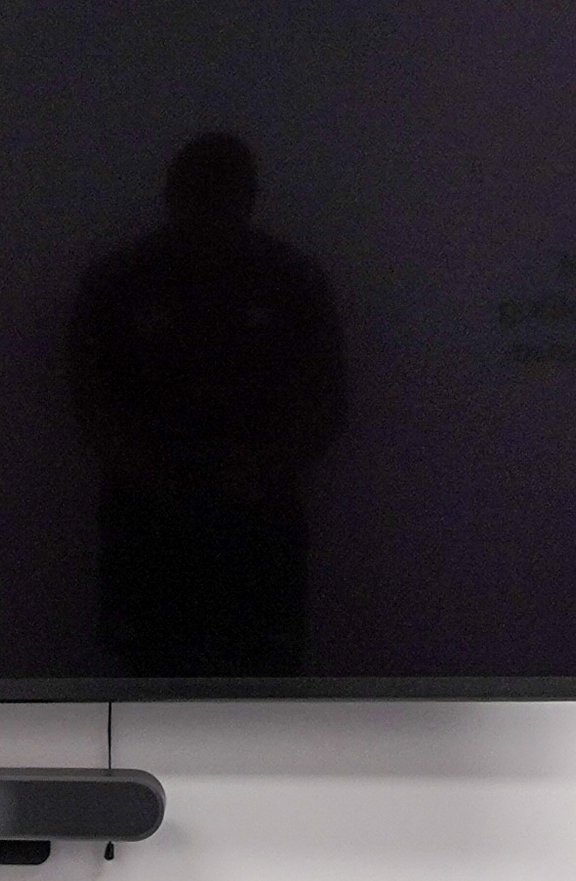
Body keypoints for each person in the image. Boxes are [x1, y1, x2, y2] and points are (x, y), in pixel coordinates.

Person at [70, 134, 346, 678]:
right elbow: (88, 397)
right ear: (172, 195)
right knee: (149, 681)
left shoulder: (292, 281)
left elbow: (326, 400)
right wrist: (149, 474)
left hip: (253, 521)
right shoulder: (119, 282)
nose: (212, 207)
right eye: (201, 193)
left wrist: (261, 471)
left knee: (256, 678)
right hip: (153, 522)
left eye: (223, 193)